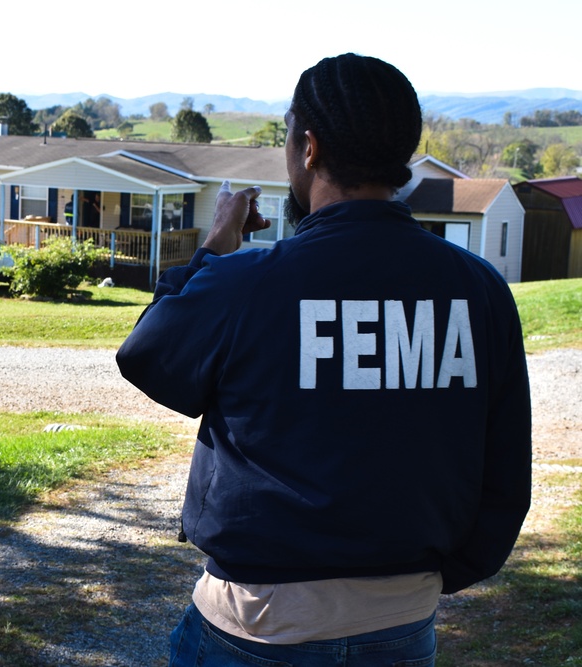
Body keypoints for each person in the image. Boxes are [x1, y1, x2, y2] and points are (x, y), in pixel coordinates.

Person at [116, 53, 531, 666]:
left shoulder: (248, 282)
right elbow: (505, 473)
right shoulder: (480, 290)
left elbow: (148, 355)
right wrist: (425, 581)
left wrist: (214, 248)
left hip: (257, 628)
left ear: (307, 147)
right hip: (404, 625)